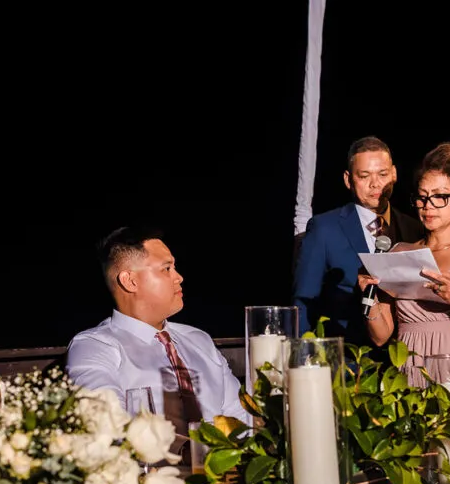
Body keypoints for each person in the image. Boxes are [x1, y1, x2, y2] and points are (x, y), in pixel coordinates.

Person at [65, 226, 251, 438]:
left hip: (225, 457)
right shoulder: (95, 346)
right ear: (130, 281)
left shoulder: (199, 340)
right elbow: (108, 425)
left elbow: (241, 420)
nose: (179, 277)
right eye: (166, 269)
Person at [357, 142, 450, 391]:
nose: (428, 205)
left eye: (440, 197)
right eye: (422, 197)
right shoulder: (399, 252)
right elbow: (381, 336)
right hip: (409, 375)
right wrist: (368, 298)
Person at [293, 135, 423, 345]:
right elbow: (304, 302)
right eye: (364, 176)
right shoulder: (324, 228)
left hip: (405, 356)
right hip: (346, 357)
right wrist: (303, 355)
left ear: (394, 174)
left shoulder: (414, 229)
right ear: (348, 179)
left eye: (383, 174)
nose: (375, 184)